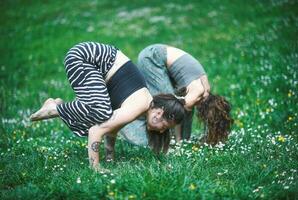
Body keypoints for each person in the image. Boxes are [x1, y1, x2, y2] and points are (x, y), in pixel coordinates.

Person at [30, 42, 185, 171]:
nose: (162, 130)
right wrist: (96, 167)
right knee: (100, 117)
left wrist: (110, 157)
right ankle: (55, 108)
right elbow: (97, 130)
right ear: (159, 112)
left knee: (100, 118)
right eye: (166, 125)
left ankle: (58, 106)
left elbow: (113, 128)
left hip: (94, 62)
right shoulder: (139, 105)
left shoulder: (142, 104)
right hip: (84, 57)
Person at [115, 44, 233, 151]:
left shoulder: (204, 90)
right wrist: (178, 141)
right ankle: (121, 120)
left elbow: (187, 113)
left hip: (155, 54)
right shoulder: (196, 94)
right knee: (165, 106)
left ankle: (178, 140)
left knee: (166, 109)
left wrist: (182, 140)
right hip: (152, 59)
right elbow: (177, 113)